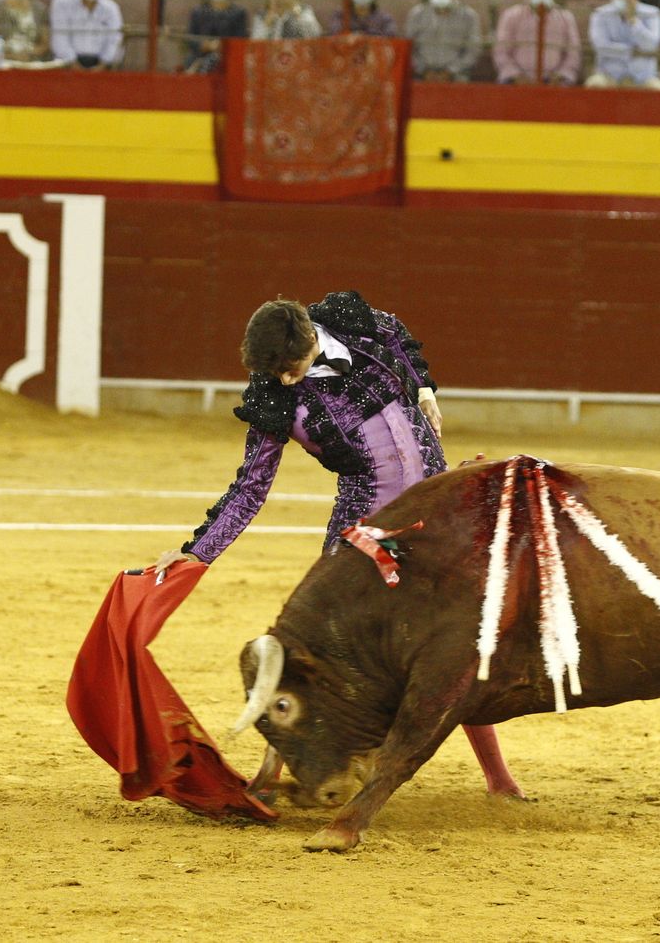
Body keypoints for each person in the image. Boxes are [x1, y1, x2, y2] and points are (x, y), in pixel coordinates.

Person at [152, 291, 525, 804]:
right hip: (362, 529)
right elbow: (251, 486)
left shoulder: (352, 324)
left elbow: (400, 336)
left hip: (436, 516)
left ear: (310, 338)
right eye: (275, 373)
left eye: (290, 367)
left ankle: (499, 779)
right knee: (321, 649)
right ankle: (273, 768)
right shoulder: (275, 396)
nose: (284, 380)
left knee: (452, 643)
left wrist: (424, 390)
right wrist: (200, 550)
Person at [492, 0, 579, 84]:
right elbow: (501, 51)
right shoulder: (511, 15)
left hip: (556, 82)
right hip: (515, 82)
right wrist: (516, 76)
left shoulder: (566, 18)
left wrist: (560, 76)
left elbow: (573, 53)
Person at [586, 0, 660, 90]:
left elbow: (652, 45)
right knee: (595, 84)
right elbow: (601, 47)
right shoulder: (599, 14)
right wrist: (632, 51)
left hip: (643, 78)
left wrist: (633, 21)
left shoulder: (652, 13)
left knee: (659, 89)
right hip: (609, 76)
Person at [406, 0, 481, 81]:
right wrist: (423, 70)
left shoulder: (469, 16)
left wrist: (450, 71)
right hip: (421, 76)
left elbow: (473, 51)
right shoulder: (417, 14)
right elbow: (409, 49)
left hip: (456, 76)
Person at [51, 0, 122, 69]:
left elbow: (115, 40)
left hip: (102, 65)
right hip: (67, 65)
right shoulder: (61, 3)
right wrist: (73, 64)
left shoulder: (111, 7)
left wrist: (102, 65)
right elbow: (60, 37)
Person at [184, 0, 247, 71]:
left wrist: (221, 46)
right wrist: (205, 46)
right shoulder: (198, 12)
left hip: (228, 58)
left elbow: (241, 39)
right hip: (200, 56)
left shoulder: (239, 13)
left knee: (215, 60)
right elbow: (191, 38)